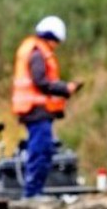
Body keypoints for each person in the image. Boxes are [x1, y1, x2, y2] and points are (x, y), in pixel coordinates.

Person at [11, 15, 84, 199]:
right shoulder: (38, 54)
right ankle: (32, 192)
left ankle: (35, 191)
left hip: (35, 110)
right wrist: (65, 88)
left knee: (43, 150)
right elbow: (41, 82)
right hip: (36, 111)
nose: (56, 45)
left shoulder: (36, 51)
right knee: (40, 151)